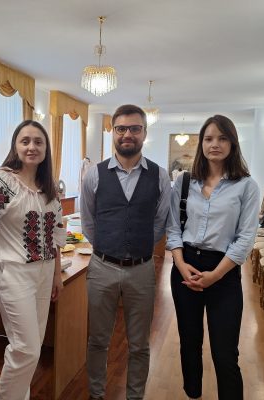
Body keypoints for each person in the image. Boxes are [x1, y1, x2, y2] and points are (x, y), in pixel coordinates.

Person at [0, 120, 66, 400]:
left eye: (38, 141)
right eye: (25, 141)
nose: (31, 147)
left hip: (44, 272)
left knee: (32, 347)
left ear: (46, 149)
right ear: (15, 145)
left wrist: (57, 274)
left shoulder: (49, 186)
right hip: (13, 273)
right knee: (26, 349)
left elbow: (56, 234)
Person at [80, 104, 171, 400]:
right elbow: (88, 221)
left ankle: (135, 396)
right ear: (113, 132)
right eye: (121, 128)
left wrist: (138, 245)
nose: (127, 134)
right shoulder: (94, 175)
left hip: (142, 270)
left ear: (144, 132)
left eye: (134, 128)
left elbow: (160, 222)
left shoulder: (160, 176)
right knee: (97, 340)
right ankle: (96, 394)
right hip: (102, 267)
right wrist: (108, 246)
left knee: (139, 344)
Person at [166, 115, 260, 400]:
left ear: (233, 143)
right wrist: (181, 265)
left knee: (225, 352)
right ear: (201, 144)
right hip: (185, 267)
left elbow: (245, 238)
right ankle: (193, 394)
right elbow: (173, 228)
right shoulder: (184, 182)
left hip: (224, 271)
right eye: (208, 139)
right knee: (189, 343)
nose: (214, 144)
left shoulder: (246, 186)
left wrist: (215, 276)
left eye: (222, 138)